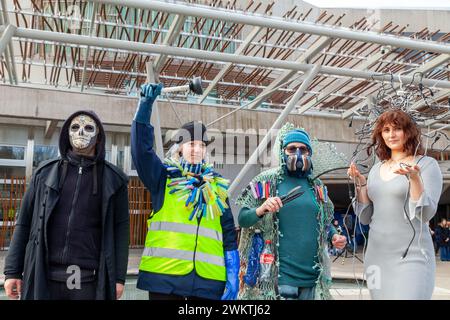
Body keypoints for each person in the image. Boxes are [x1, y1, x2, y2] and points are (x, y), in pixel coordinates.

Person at [3, 111, 130, 300]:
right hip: (44, 276)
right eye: (75, 127)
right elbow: (24, 222)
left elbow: (121, 231)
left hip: (88, 280)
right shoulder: (44, 174)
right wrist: (12, 271)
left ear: (98, 137)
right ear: (67, 134)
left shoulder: (114, 179)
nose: (80, 132)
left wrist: (119, 277)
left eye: (88, 128)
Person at [131, 83, 239, 300]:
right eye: (191, 144)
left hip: (209, 281)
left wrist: (233, 272)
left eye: (201, 145)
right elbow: (142, 152)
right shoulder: (163, 177)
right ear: (179, 148)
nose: (196, 149)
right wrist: (145, 107)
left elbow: (228, 232)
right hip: (165, 278)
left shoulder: (217, 187)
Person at [237, 124, 347, 300]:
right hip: (279, 279)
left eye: (303, 149)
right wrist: (262, 208)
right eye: (292, 149)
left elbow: (325, 222)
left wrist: (334, 236)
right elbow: (242, 219)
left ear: (309, 154)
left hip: (313, 279)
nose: (298, 153)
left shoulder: (316, 186)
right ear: (282, 152)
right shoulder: (266, 181)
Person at [348, 109, 442, 299]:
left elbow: (425, 214)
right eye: (386, 130)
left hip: (412, 255)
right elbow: (365, 217)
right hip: (376, 257)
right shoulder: (376, 169)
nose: (391, 135)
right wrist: (360, 183)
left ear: (409, 131)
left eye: (397, 129)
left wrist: (414, 178)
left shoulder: (427, 164)